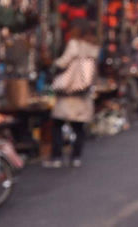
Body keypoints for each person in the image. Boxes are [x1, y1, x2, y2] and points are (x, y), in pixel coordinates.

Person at [48, 19, 99, 168]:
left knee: (58, 124)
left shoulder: (74, 45)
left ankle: (57, 157)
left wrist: (53, 64)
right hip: (83, 93)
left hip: (68, 91)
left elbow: (63, 62)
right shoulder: (93, 47)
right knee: (79, 127)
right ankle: (76, 157)